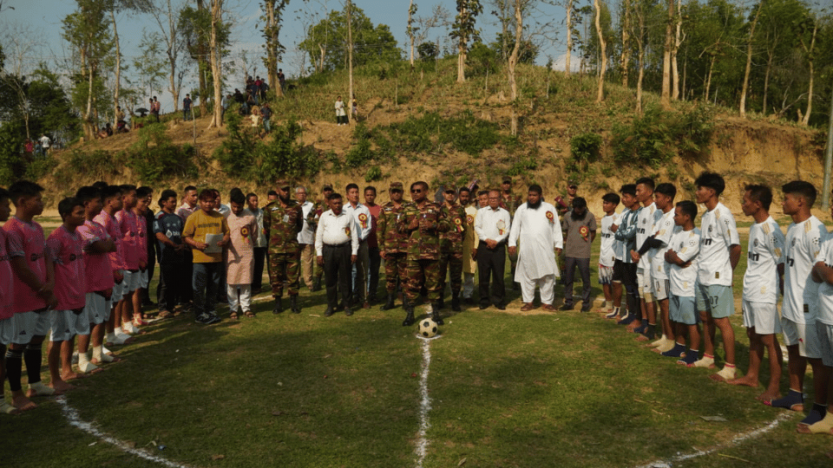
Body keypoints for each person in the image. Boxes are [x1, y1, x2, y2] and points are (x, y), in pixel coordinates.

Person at [768, 181, 827, 425]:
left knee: (817, 359)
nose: (782, 202)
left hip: (808, 307)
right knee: (793, 349)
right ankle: (795, 395)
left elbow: (822, 267)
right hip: (791, 303)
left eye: (786, 198)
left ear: (800, 201)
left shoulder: (815, 231)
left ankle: (821, 407)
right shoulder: (793, 228)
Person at [4, 181, 59, 412]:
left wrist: (50, 284)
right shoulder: (12, 229)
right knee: (18, 344)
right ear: (22, 202)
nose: (42, 203)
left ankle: (35, 383)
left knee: (37, 340)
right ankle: (16, 394)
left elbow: (45, 255)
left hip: (42, 294)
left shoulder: (36, 227)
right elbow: (20, 266)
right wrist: (42, 287)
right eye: (37, 199)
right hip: (24, 298)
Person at [727, 185, 785, 403]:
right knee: (752, 334)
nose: (742, 205)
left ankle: (774, 387)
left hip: (764, 292)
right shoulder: (754, 227)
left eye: (745, 201)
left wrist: (782, 289)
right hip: (750, 290)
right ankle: (752, 376)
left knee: (769, 339)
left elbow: (781, 264)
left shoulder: (772, 230)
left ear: (757, 204)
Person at [693, 172, 741, 382]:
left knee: (722, 320)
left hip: (717, 277)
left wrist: (728, 272)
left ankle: (730, 367)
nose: (697, 193)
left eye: (700, 189)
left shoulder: (724, 215)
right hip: (702, 275)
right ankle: (708, 356)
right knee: (705, 318)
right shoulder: (705, 215)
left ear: (711, 191)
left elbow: (736, 247)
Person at [45, 197, 87, 393]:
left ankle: (67, 370)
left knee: (69, 334)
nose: (83, 216)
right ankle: (54, 378)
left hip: (76, 294)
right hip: (61, 297)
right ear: (65, 215)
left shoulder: (77, 235)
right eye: (79, 213)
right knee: (57, 336)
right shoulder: (55, 238)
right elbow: (48, 267)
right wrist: (52, 292)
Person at [397, 181, 450, 325]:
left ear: (426, 192)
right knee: (412, 285)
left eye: (418, 190)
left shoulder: (436, 207)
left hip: (431, 254)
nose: (415, 193)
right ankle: (410, 314)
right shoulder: (406, 208)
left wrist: (433, 225)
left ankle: (436, 314)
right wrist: (409, 226)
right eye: (413, 191)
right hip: (413, 255)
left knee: (433, 285)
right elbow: (398, 227)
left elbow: (447, 225)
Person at [634, 183, 677, 344]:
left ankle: (670, 338)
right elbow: (650, 238)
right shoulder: (659, 215)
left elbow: (657, 241)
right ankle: (665, 336)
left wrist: (653, 239)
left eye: (658, 197)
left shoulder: (673, 216)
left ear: (668, 198)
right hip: (654, 264)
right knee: (661, 302)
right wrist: (639, 252)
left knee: (665, 304)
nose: (656, 200)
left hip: (664, 267)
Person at [508, 185, 563, 311]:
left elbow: (556, 227)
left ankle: (547, 302)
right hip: (527, 249)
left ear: (540, 195)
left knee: (547, 275)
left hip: (545, 248)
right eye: (530, 195)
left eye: (534, 195)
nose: (531, 198)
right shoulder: (522, 209)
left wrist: (559, 244)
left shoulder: (549, 208)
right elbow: (515, 227)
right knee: (528, 275)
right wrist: (512, 243)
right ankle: (528, 302)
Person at [806, 194, 833, 434]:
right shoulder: (829, 239)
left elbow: (829, 275)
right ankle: (830, 418)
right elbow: (817, 273)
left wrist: (824, 268)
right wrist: (824, 269)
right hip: (826, 313)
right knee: (830, 365)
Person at [664, 201, 702, 366]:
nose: (674, 217)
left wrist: (675, 258)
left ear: (687, 217)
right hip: (675, 283)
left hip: (688, 285)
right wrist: (675, 258)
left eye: (677, 214)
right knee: (679, 319)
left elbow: (679, 258)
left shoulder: (695, 236)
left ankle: (693, 352)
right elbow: (668, 254)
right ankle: (679, 347)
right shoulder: (677, 232)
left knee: (691, 321)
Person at [183, 189, 229, 324]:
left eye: (211, 201)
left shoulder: (220, 217)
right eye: (205, 201)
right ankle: (199, 314)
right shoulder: (193, 217)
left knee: (213, 287)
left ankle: (211, 310)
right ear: (200, 202)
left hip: (216, 258)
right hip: (200, 259)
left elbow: (227, 233)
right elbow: (186, 236)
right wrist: (196, 244)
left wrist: (224, 241)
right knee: (199, 288)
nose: (208, 204)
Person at [94, 186, 129, 346]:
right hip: (109, 269)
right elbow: (103, 247)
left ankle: (112, 335)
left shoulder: (113, 218)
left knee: (114, 303)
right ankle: (97, 346)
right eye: (119, 198)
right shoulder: (102, 219)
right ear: (109, 202)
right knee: (105, 308)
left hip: (118, 266)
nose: (122, 201)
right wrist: (112, 268)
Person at [264, 180, 304, 314]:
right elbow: (267, 227)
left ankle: (293, 303)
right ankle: (278, 304)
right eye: (283, 190)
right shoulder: (270, 208)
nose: (286, 192)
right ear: (277, 191)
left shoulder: (296, 207)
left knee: (293, 277)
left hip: (292, 248)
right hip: (275, 249)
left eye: (287, 189)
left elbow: (299, 226)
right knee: (276, 278)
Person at [316, 193, 358, 317]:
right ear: (329, 203)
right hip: (328, 250)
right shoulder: (324, 216)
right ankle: (331, 305)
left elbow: (354, 234)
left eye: (339, 203)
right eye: (334, 203)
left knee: (345, 279)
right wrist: (319, 253)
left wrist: (354, 252)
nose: (337, 205)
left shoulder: (348, 215)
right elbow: (319, 235)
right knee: (330, 279)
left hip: (344, 249)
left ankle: (346, 305)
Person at [629, 177, 659, 334]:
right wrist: (634, 251)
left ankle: (652, 327)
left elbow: (653, 238)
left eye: (639, 190)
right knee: (641, 293)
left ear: (649, 191)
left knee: (649, 295)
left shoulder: (656, 210)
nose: (636, 193)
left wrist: (639, 253)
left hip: (650, 260)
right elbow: (640, 236)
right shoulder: (641, 212)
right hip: (640, 260)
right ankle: (645, 322)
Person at [474, 189, 512, 311]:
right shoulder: (481, 212)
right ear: (488, 199)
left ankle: (498, 300)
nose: (493, 200)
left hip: (498, 247)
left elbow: (506, 230)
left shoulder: (505, 213)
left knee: (498, 274)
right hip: (484, 246)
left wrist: (496, 241)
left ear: (499, 199)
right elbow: (477, 227)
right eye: (490, 198)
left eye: (495, 198)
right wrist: (487, 239)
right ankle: (484, 300)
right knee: (483, 274)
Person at [114, 185, 143, 338]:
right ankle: (117, 328)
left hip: (133, 261)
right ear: (124, 198)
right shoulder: (119, 215)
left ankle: (127, 323)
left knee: (130, 293)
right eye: (133, 195)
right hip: (123, 262)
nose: (136, 199)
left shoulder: (132, 213)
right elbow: (114, 236)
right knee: (121, 296)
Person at [377, 182, 410, 310]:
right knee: (390, 276)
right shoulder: (385, 208)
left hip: (404, 248)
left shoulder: (409, 207)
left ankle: (406, 302)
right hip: (389, 248)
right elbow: (380, 229)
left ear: (402, 192)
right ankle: (390, 301)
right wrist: (381, 248)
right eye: (394, 191)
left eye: (398, 191)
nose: (396, 193)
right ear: (390, 193)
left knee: (405, 276)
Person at [154, 190, 186, 318]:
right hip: (166, 254)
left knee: (175, 281)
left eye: (175, 201)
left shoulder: (178, 218)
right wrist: (173, 245)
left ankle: (171, 307)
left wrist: (182, 245)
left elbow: (183, 235)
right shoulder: (159, 217)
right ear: (164, 202)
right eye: (172, 202)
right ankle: (162, 308)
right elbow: (159, 235)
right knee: (165, 282)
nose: (174, 204)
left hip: (178, 254)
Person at [560, 197, 597, 312]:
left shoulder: (590, 216)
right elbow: (566, 231)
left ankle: (586, 304)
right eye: (577, 209)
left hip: (583, 253)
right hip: (570, 252)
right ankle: (568, 302)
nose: (580, 212)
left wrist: (586, 244)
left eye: (582, 209)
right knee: (568, 278)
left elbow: (593, 232)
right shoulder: (567, 216)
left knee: (585, 278)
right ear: (573, 208)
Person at [226, 189, 257, 319]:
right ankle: (233, 309)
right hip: (231, 254)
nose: (237, 209)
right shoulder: (225, 217)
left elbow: (254, 235)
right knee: (231, 282)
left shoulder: (250, 217)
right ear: (230, 203)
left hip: (247, 254)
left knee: (246, 281)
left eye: (239, 207)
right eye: (234, 206)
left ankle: (246, 307)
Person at [614, 184, 641, 325]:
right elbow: (619, 234)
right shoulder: (628, 213)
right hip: (624, 257)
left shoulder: (640, 213)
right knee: (629, 287)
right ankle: (631, 315)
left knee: (637, 289)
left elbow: (629, 233)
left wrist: (622, 232)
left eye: (626, 196)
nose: (623, 199)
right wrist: (623, 232)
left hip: (634, 258)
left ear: (635, 198)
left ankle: (638, 316)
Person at [0, 188, 16, 414]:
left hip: (5, 304)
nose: (9, 209)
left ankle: (1, 399)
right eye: (5, 205)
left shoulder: (3, 234)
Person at [438, 187, 467, 311]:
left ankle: (455, 300)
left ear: (455, 194)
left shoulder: (460, 209)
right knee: (440, 275)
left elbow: (464, 229)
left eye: (452, 193)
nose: (450, 195)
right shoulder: (438, 209)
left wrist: (458, 241)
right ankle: (439, 300)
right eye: (447, 193)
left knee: (455, 276)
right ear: (443, 194)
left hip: (456, 248)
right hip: (441, 247)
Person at [345, 183, 372, 309]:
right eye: (352, 192)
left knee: (363, 271)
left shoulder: (364, 209)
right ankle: (349, 298)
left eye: (356, 192)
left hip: (362, 244)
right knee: (347, 273)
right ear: (347, 195)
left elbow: (368, 226)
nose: (355, 195)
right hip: (347, 245)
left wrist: (360, 238)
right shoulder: (343, 209)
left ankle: (364, 298)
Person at [598, 193, 621, 315]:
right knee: (604, 281)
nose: (604, 205)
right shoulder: (603, 219)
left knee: (615, 283)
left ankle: (616, 307)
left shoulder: (617, 219)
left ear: (614, 205)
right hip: (603, 256)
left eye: (607, 203)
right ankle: (608, 305)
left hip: (612, 256)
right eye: (604, 202)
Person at [308, 185, 334, 292]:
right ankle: (318, 282)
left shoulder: (336, 202)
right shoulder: (318, 204)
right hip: (321, 235)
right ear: (323, 192)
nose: (327, 192)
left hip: (333, 234)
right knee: (320, 259)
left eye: (329, 190)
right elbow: (309, 218)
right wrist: (317, 223)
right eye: (325, 190)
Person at [460, 187, 479, 304]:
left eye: (467, 196)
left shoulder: (474, 211)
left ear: (470, 197)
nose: (464, 198)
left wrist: (475, 246)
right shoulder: (453, 210)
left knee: (469, 271)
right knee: (455, 272)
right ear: (459, 196)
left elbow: (476, 231)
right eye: (462, 196)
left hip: (469, 245)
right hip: (455, 246)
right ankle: (455, 295)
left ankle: (468, 295)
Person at [364, 186, 383, 304]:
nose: (370, 197)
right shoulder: (361, 208)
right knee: (364, 272)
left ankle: (373, 293)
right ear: (364, 196)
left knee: (375, 271)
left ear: (375, 195)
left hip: (376, 245)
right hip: (364, 245)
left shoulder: (379, 209)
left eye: (372, 194)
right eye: (367, 195)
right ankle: (363, 293)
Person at [247, 193, 268, 294]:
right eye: (253, 201)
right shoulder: (245, 213)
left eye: (256, 200)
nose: (255, 203)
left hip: (261, 243)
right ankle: (249, 285)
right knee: (250, 266)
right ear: (248, 202)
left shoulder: (262, 213)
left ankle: (257, 286)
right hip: (249, 244)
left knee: (259, 266)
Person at [295, 186, 316, 291]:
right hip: (295, 238)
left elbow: (316, 220)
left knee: (308, 261)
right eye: (300, 193)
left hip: (308, 237)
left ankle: (309, 282)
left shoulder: (311, 206)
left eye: (304, 193)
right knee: (295, 261)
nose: (302, 195)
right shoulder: (292, 206)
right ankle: (296, 281)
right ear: (296, 195)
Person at [140, 187, 157, 309]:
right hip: (140, 249)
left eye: (150, 196)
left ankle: (145, 299)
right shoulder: (136, 214)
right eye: (146, 197)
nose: (149, 199)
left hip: (150, 248)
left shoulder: (149, 213)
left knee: (148, 275)